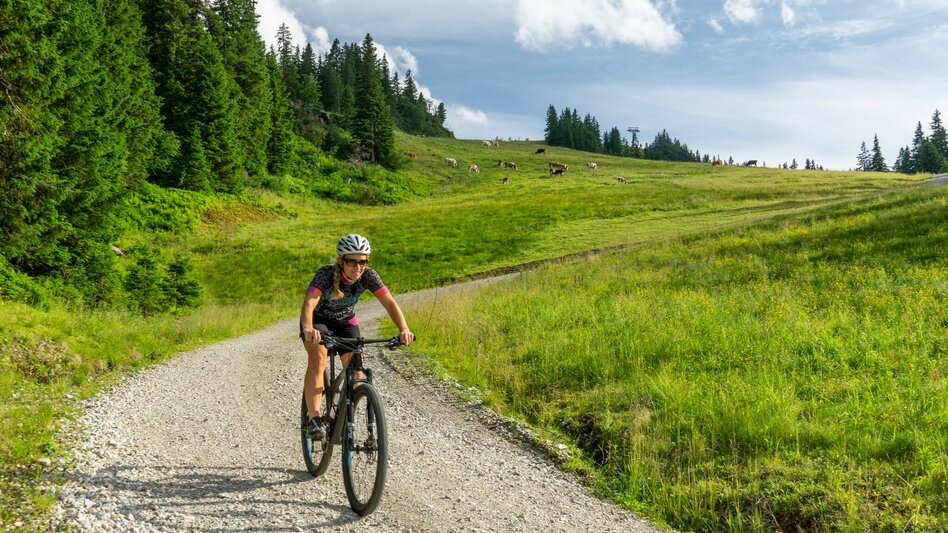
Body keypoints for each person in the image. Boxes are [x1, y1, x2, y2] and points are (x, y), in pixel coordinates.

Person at [300, 233, 414, 439]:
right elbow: (310, 301)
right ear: (342, 261)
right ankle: (314, 419)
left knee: (358, 374)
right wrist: (308, 327)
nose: (358, 266)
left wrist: (404, 329)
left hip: (346, 323)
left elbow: (389, 303)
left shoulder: (369, 276)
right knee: (318, 358)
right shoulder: (325, 274)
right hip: (319, 321)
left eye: (363, 261)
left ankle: (343, 412)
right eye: (352, 261)